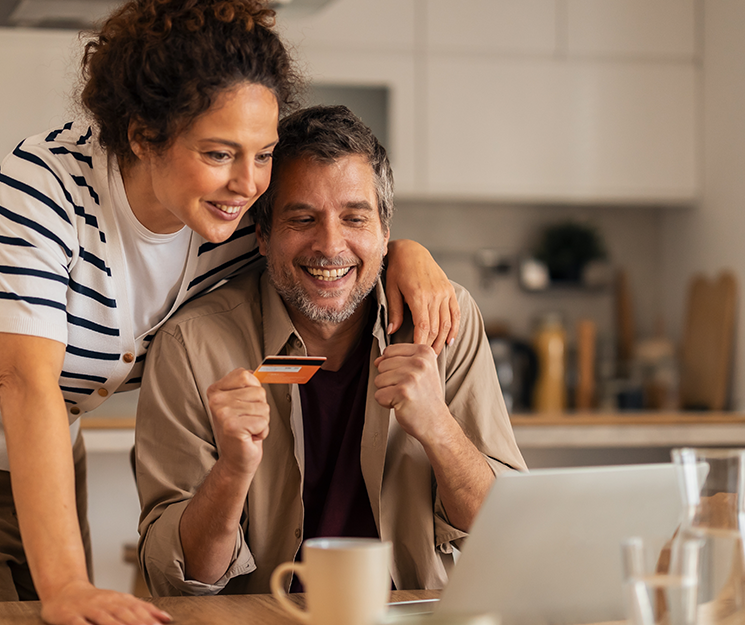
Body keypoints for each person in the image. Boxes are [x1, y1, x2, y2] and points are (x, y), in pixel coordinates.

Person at [0, 2, 460, 625]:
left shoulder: (229, 216)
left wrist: (408, 255)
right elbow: (27, 382)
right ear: (145, 135)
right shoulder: (43, 188)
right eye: (220, 153)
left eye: (264, 153)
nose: (249, 183)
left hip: (49, 456)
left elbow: (330, 246)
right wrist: (66, 584)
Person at [135, 105, 527, 597]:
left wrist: (439, 429)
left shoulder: (445, 319)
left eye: (355, 218)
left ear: (385, 232)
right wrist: (231, 473)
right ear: (262, 233)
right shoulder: (191, 346)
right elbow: (180, 581)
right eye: (302, 218)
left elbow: (509, 534)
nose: (330, 245)